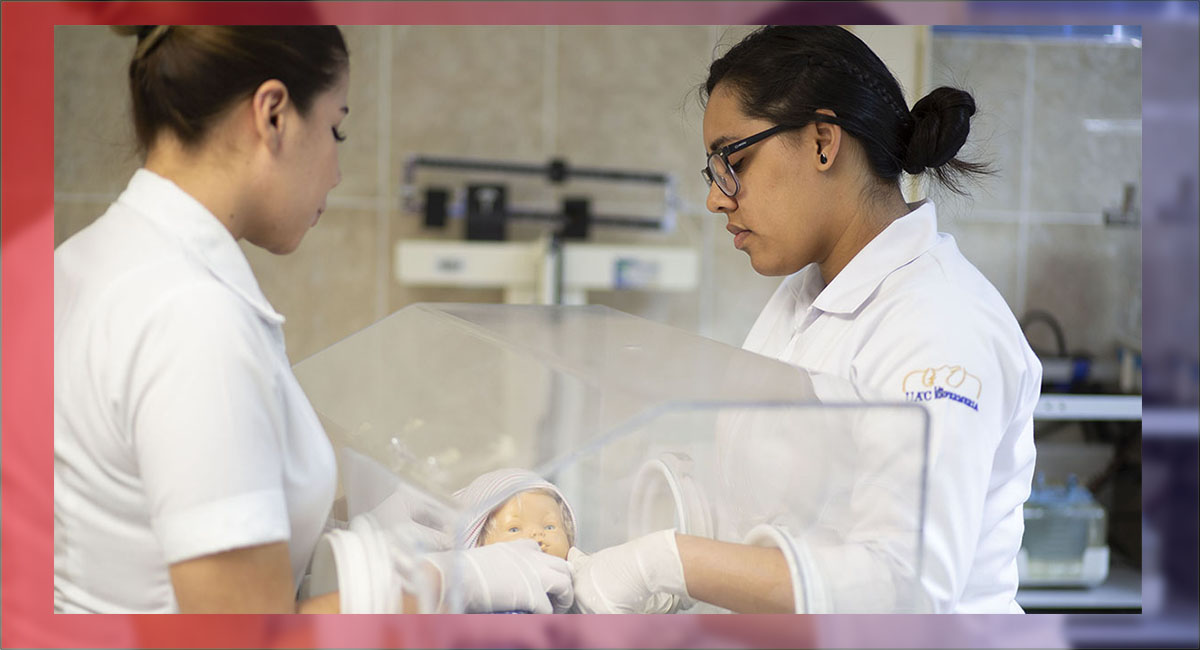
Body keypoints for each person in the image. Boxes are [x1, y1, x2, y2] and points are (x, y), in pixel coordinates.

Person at [53, 25, 568, 615]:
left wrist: (361, 533)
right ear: (273, 113)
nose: (336, 171)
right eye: (334, 129)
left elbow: (141, 527)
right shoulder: (192, 317)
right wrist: (455, 584)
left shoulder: (84, 261)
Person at [569, 25, 1040, 614]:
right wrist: (633, 527)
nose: (716, 197)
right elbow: (780, 513)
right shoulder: (804, 297)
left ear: (822, 142)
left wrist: (666, 562)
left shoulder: (941, 326)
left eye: (733, 160)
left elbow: (902, 587)